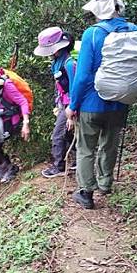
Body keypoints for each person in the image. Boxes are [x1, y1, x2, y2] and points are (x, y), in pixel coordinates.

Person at [66, 0, 137, 209]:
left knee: (86, 147)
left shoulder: (93, 33)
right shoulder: (134, 29)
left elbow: (82, 76)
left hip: (91, 103)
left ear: (99, 7)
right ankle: (106, 183)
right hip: (121, 102)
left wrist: (73, 105)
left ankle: (86, 193)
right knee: (110, 143)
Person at [34, 26, 77, 178]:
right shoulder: (56, 63)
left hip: (71, 106)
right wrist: (58, 105)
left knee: (57, 135)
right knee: (67, 133)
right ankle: (77, 160)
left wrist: (71, 113)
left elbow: (73, 88)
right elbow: (59, 87)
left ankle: (58, 166)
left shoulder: (69, 64)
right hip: (63, 104)